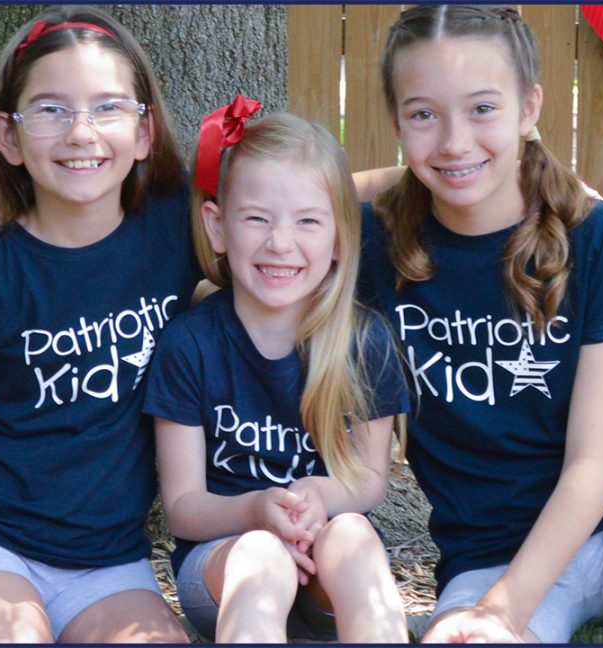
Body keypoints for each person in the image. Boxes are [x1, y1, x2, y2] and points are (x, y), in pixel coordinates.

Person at [356, 5, 603, 643]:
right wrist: (491, 609)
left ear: (529, 108)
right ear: (396, 122)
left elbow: (592, 463)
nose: (454, 141)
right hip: (487, 552)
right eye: (423, 115)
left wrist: (506, 609)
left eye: (482, 109)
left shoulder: (599, 236)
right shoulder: (373, 243)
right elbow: (282, 200)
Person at [0, 6, 197, 642]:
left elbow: (306, 198)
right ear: (9, 138)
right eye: (51, 110)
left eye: (108, 107)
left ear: (144, 132)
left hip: (110, 561)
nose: (81, 132)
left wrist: (423, 177)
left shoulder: (176, 227)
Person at [142, 108, 411, 643]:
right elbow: (184, 508)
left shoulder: (363, 343)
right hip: (222, 565)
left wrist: (318, 496)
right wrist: (256, 510)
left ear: (341, 237)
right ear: (217, 227)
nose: (280, 242)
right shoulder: (189, 345)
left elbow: (369, 478)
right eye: (257, 219)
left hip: (328, 565)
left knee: (354, 536)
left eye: (308, 221)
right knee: (262, 554)